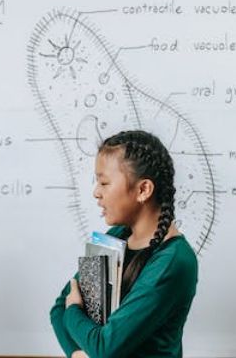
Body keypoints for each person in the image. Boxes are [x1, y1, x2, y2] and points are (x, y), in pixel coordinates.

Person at [50, 130, 198, 358]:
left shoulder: (173, 260)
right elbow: (60, 307)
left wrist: (74, 310)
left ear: (143, 190)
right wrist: (77, 353)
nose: (96, 193)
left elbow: (104, 348)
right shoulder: (116, 236)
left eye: (104, 182)